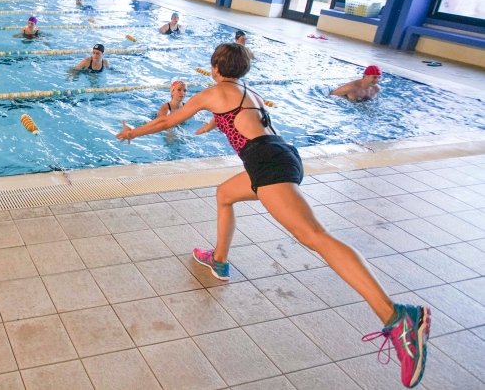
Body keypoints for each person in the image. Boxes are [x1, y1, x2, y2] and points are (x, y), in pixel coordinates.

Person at [115, 43, 429, 389]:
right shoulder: (249, 92)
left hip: (267, 163)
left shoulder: (214, 92)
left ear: (215, 67)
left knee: (314, 237)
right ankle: (219, 260)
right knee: (225, 195)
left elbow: (167, 120)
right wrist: (215, 126)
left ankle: (397, 316)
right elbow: (237, 125)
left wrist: (132, 132)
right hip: (281, 155)